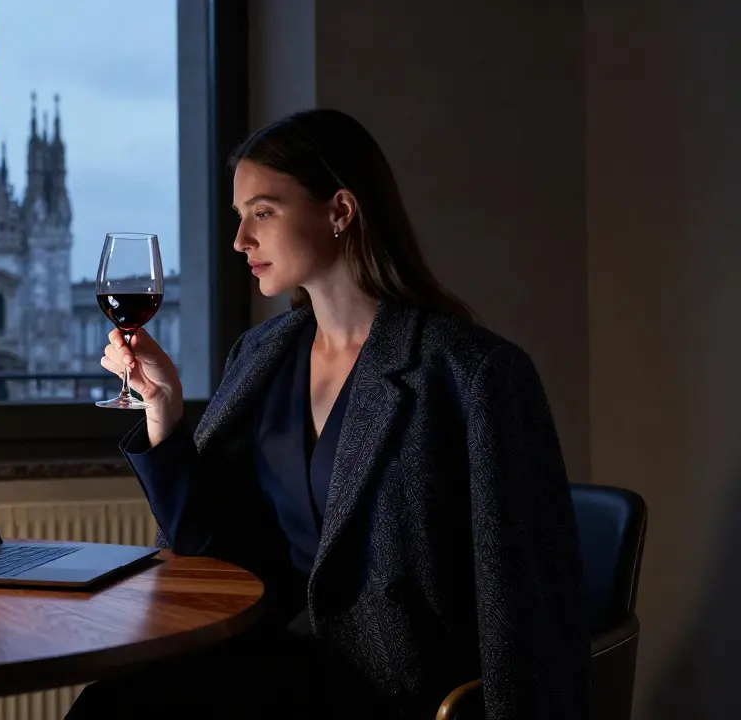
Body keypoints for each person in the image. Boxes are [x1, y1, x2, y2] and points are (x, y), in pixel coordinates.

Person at [66, 109, 588, 719]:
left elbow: (524, 602)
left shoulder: (473, 372)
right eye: (239, 218)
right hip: (267, 659)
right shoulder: (261, 354)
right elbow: (210, 546)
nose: (240, 241)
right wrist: (164, 411)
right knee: (110, 705)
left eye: (262, 212)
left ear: (340, 211)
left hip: (388, 690)